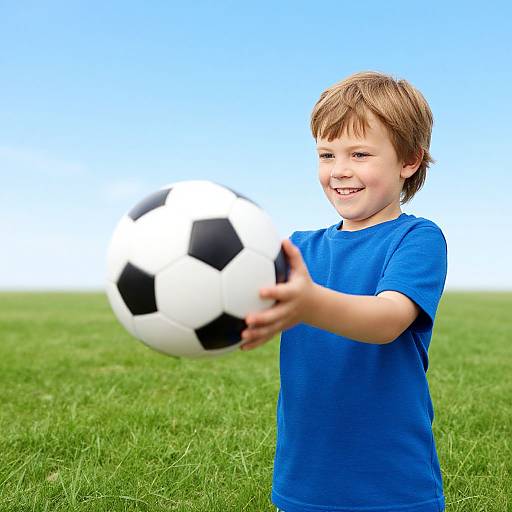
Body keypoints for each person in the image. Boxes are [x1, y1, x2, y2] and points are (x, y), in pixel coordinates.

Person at [239, 70, 448, 512]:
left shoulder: (417, 239)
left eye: (359, 153)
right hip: (305, 479)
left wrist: (308, 302)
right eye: (327, 154)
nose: (340, 171)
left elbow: (387, 320)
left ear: (409, 160)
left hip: (393, 484)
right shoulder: (298, 247)